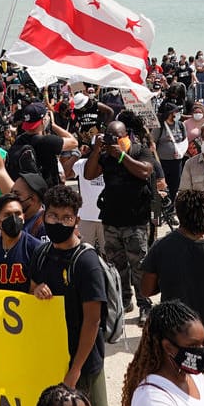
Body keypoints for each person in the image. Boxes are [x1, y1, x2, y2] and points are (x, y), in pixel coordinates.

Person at [30, 183, 110, 406]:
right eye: (53, 216)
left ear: (76, 220)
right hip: (50, 357)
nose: (58, 223)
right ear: (44, 215)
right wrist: (37, 290)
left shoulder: (87, 262)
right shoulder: (41, 253)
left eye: (66, 218)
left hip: (82, 363)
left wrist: (74, 371)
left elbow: (93, 320)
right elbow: (30, 287)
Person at [140, 189, 204, 352]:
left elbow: (146, 290)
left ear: (178, 215)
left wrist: (166, 282)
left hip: (171, 333)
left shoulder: (161, 246)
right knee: (198, 374)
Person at [87, 118, 159, 326]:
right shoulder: (105, 155)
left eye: (114, 137)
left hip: (135, 220)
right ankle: (123, 301)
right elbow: (89, 174)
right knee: (117, 265)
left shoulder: (138, 150)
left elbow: (146, 171)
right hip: (111, 219)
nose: (111, 141)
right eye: (107, 136)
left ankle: (144, 304)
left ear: (124, 136)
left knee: (139, 265)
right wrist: (96, 151)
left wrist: (121, 156)